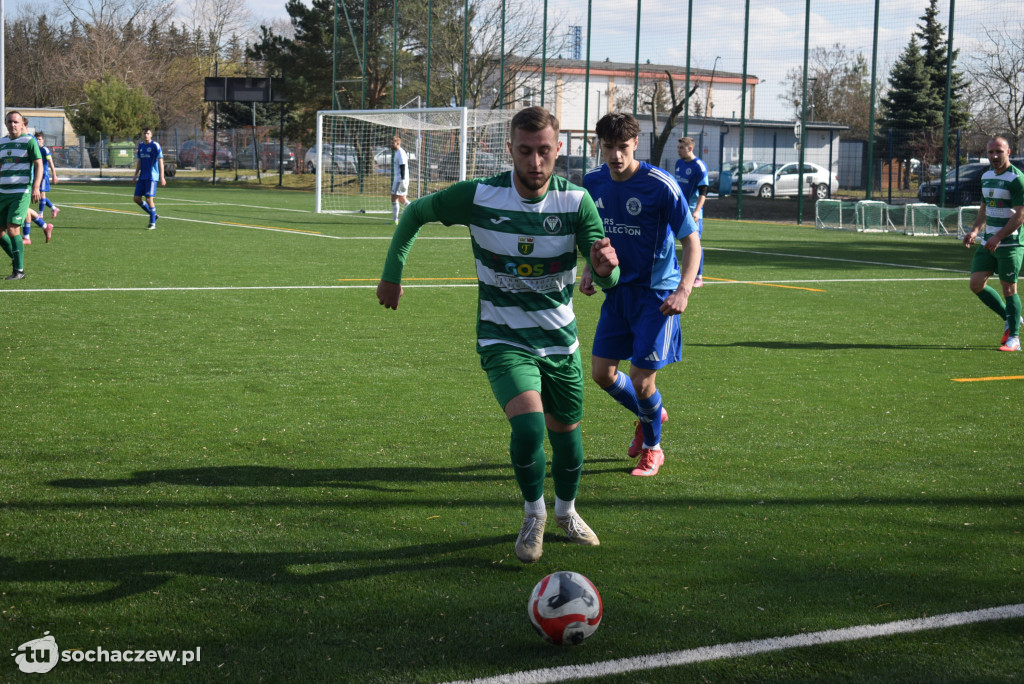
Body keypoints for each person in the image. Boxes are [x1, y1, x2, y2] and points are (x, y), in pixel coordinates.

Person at [376, 106, 620, 564]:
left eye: (544, 151)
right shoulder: (480, 196)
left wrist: (606, 270)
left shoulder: (576, 203)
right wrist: (392, 275)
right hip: (503, 338)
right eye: (525, 151)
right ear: (509, 149)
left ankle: (566, 511)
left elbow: (605, 272)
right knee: (529, 428)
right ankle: (535, 514)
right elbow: (413, 216)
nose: (534, 162)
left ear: (558, 150)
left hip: (560, 342)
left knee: (566, 439)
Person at [581, 112, 701, 477]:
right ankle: (650, 413)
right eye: (608, 147)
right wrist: (589, 268)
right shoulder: (592, 182)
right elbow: (593, 234)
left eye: (623, 147)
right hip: (617, 293)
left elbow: (691, 242)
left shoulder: (660, 185)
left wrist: (684, 291)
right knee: (602, 374)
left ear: (636, 145)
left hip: (657, 296)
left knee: (642, 380)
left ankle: (653, 448)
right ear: (598, 145)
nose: (615, 155)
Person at [962, 136, 1024, 352]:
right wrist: (975, 230)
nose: (994, 156)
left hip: (1010, 244)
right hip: (988, 242)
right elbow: (984, 208)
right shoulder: (986, 176)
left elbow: (1020, 215)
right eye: (991, 152)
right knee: (976, 284)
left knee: (1009, 288)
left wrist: (999, 236)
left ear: (1009, 151)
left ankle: (1014, 339)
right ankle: (1009, 317)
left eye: (999, 151)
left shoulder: (1017, 179)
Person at [0, 111, 43, 280]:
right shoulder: (2, 143)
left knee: (12, 228)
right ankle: (16, 259)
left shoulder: (29, 141)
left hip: (20, 192)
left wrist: (36, 186)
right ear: (6, 123)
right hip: (2, 191)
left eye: (16, 122)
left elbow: (38, 164)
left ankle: (19, 271)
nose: (13, 125)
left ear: (22, 124)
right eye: (10, 122)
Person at [674, 136, 708, 287]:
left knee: (695, 243)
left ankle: (698, 277)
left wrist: (697, 211)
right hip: (678, 209)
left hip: (693, 212)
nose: (679, 150)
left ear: (690, 148)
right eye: (678, 147)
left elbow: (704, 191)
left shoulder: (699, 166)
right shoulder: (678, 163)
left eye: (682, 148)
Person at [132, 127, 165, 229]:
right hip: (142, 176)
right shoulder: (141, 146)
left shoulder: (155, 145)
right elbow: (139, 162)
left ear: (151, 135)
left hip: (152, 176)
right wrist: (135, 174)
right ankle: (153, 215)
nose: (146, 135)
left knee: (149, 198)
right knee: (136, 198)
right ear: (142, 135)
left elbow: (161, 162)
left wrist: (162, 177)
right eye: (144, 133)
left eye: (147, 133)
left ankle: (152, 223)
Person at [34, 131, 59, 219]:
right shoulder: (34, 149)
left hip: (44, 175)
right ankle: (54, 208)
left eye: (39, 139)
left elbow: (51, 163)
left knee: (42, 194)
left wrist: (54, 175)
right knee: (39, 195)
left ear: (43, 140)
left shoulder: (45, 150)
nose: (38, 140)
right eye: (36, 139)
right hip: (36, 174)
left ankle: (40, 213)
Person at [390, 135, 409, 224]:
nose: (391, 144)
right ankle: (415, 211)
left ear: (398, 143)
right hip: (399, 178)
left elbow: (403, 166)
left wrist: (402, 180)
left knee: (394, 198)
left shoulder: (401, 153)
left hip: (400, 179)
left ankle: (395, 220)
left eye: (393, 143)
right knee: (402, 199)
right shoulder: (397, 152)